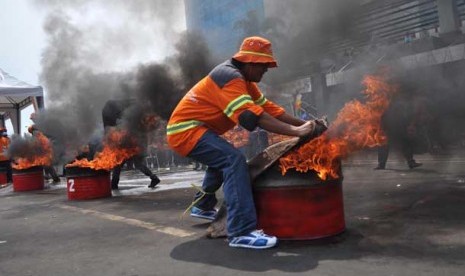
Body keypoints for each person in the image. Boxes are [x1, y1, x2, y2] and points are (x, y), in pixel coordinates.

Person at [166, 36, 318, 249]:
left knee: (223, 157)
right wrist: (295, 131)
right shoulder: (229, 77)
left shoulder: (246, 81)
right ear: (250, 62)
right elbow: (251, 117)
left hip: (196, 129)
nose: (265, 71)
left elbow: (268, 108)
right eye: (263, 67)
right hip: (185, 130)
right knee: (233, 160)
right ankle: (240, 230)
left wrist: (305, 124)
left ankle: (202, 204)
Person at [102, 99, 160, 190]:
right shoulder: (127, 118)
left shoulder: (125, 121)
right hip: (130, 147)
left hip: (128, 147)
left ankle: (114, 185)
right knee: (135, 164)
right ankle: (154, 178)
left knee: (119, 166)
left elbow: (124, 135)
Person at [375, 90, 423, 170]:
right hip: (389, 126)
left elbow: (409, 115)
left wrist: (410, 125)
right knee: (384, 144)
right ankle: (381, 164)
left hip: (399, 126)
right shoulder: (386, 103)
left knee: (405, 143)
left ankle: (410, 162)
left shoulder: (402, 104)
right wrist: (381, 127)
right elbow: (382, 115)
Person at [28, 114, 61, 183]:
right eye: (32, 119)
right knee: (44, 163)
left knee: (47, 164)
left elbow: (50, 136)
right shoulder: (34, 128)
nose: (33, 120)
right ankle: (48, 176)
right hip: (40, 148)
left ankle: (55, 178)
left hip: (46, 148)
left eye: (33, 119)